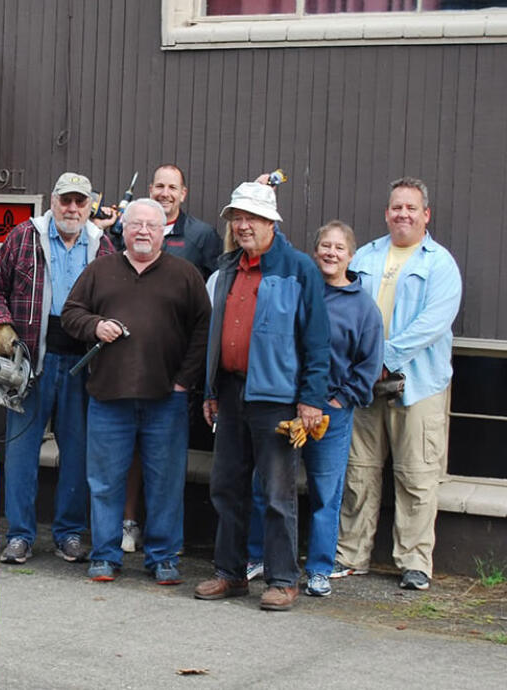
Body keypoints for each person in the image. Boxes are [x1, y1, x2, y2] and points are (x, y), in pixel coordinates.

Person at [193, 181, 329, 611]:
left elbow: (318, 341)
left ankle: (283, 579)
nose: (244, 225)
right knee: (226, 487)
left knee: (276, 493)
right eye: (238, 217)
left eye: (252, 217)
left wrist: (310, 398)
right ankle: (230, 574)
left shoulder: (298, 269)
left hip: (277, 398)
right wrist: (211, 389)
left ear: (272, 221)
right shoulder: (228, 267)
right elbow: (216, 333)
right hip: (231, 391)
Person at [61, 199, 210, 584]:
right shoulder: (100, 270)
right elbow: (71, 313)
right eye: (135, 224)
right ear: (122, 229)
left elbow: (203, 331)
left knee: (165, 482)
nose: (143, 231)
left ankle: (162, 557)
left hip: (167, 398)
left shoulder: (185, 275)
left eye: (151, 226)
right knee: (105, 481)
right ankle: (105, 555)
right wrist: (94, 325)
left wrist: (184, 381)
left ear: (164, 232)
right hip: (109, 397)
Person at [0, 172, 116, 564]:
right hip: (31, 362)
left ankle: (69, 534)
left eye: (80, 202)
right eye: (65, 201)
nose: (72, 209)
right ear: (52, 202)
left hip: (83, 364)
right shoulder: (24, 237)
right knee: (21, 452)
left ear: (89, 205)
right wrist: (1, 324)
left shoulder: (102, 245)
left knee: (77, 454)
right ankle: (20, 534)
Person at [334, 178, 462, 592]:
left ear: (427, 214)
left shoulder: (440, 264)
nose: (402, 214)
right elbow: (345, 305)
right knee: (358, 472)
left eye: (411, 208)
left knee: (417, 477)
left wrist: (383, 358)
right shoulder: (366, 256)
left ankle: (414, 562)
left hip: (418, 385)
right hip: (364, 385)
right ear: (386, 213)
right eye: (396, 207)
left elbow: (433, 323)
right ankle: (351, 555)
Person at [246, 220, 384, 597]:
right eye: (325, 245)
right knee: (268, 486)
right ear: (315, 250)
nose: (331, 253)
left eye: (339, 248)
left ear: (351, 256)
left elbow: (369, 365)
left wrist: (337, 401)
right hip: (286, 405)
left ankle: (320, 567)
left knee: (326, 491)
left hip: (330, 414)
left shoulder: (363, 308)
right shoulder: (299, 287)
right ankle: (259, 556)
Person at [115, 165, 223, 553]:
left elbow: (214, 299)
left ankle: (166, 540)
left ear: (184, 192)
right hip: (127, 368)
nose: (165, 192)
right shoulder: (125, 226)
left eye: (172, 187)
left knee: (167, 459)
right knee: (130, 455)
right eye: (159, 185)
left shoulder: (203, 236)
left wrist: (190, 374)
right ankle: (128, 524)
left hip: (179, 370)